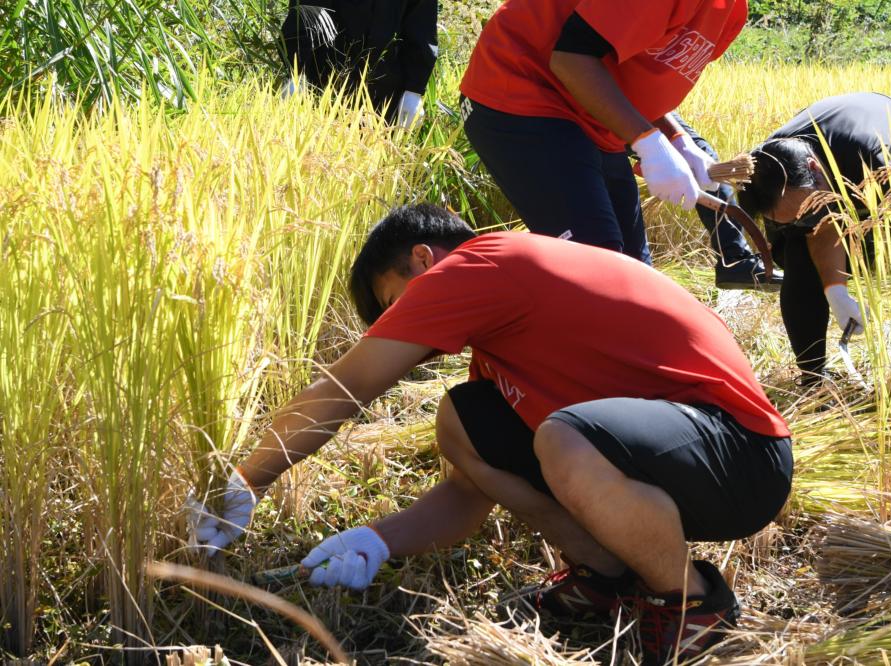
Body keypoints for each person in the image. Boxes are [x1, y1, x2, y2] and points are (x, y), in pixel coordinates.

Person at [190, 204, 793, 664]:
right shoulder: (503, 341)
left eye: (394, 303)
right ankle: (605, 576)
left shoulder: (484, 263)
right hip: (680, 454)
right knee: (463, 421)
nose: (404, 328)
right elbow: (467, 496)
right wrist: (375, 540)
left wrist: (246, 479)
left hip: (739, 452)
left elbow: (348, 388)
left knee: (561, 436)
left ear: (424, 261)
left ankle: (689, 605)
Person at [459, 0, 781, 290]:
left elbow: (631, 72)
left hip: (594, 117)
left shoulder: (730, 11)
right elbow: (572, 58)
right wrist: (647, 141)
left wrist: (676, 139)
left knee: (635, 275)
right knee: (599, 268)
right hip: (518, 94)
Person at [737, 92, 891, 382]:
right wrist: (835, 291)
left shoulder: (875, 160)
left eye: (806, 211)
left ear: (814, 169)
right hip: (827, 166)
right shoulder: (765, 172)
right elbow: (820, 225)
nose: (806, 221)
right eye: (794, 217)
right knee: (798, 255)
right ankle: (813, 377)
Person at [280, 0, 438, 127]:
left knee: (373, 161)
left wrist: (414, 90)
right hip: (322, 83)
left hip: (384, 93)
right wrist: (297, 70)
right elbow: (305, 12)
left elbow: (421, 23)